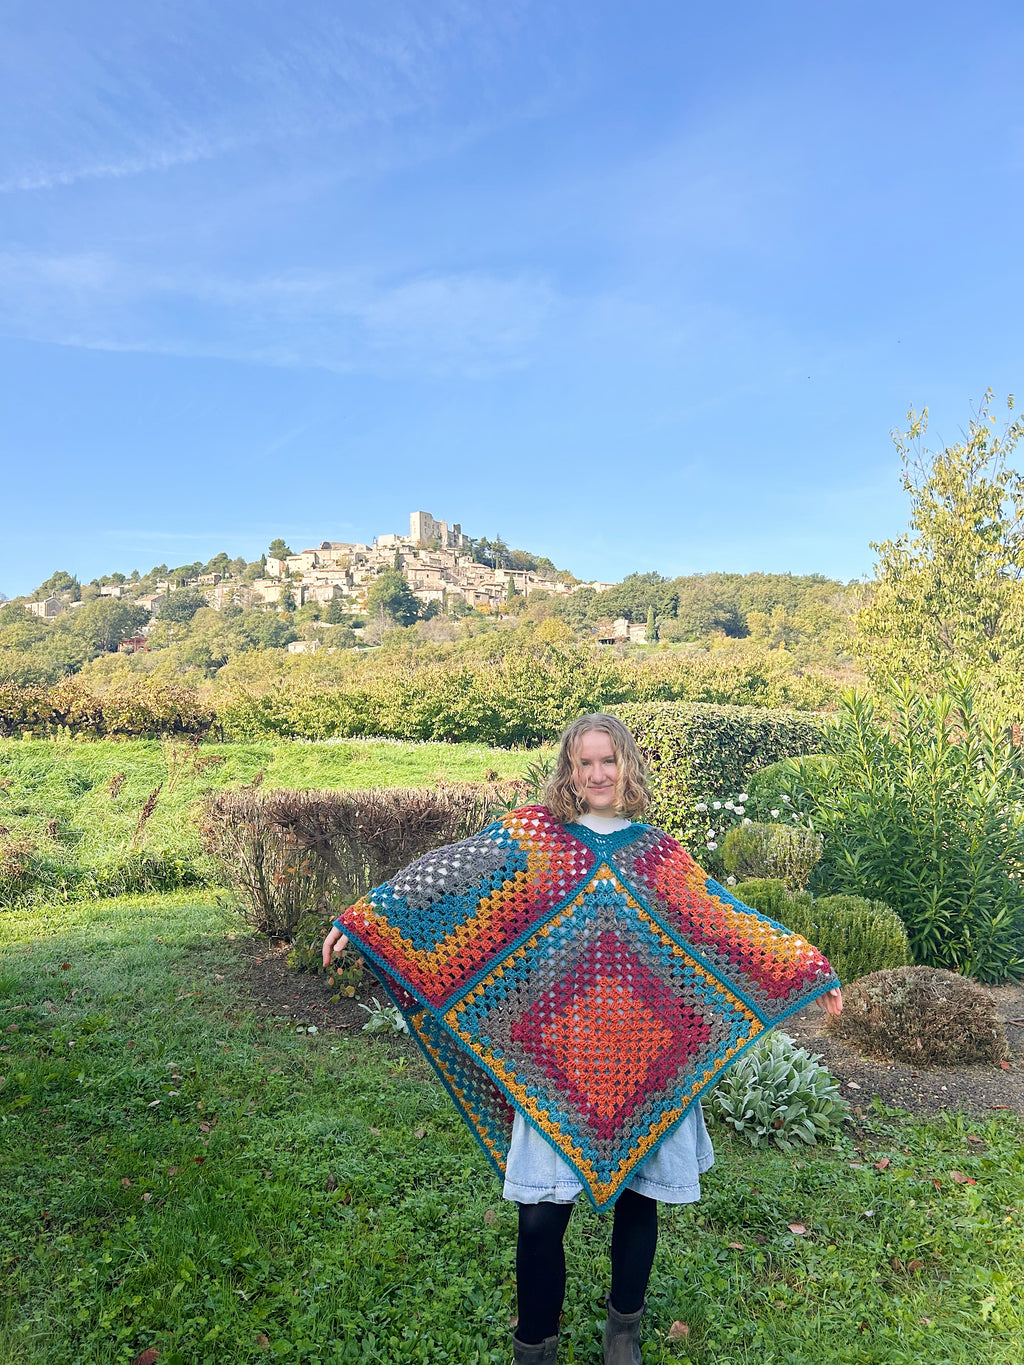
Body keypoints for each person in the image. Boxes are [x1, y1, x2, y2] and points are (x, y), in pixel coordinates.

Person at [323, 714, 842, 1364]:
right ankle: (533, 1346)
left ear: (627, 766)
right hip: (554, 1055)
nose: (596, 774)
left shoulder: (658, 851)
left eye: (607, 760)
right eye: (584, 762)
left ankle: (622, 1330)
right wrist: (371, 916)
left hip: (649, 1053)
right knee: (540, 1215)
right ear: (569, 770)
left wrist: (805, 965)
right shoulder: (538, 835)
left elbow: (723, 920)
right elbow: (452, 870)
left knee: (641, 1199)